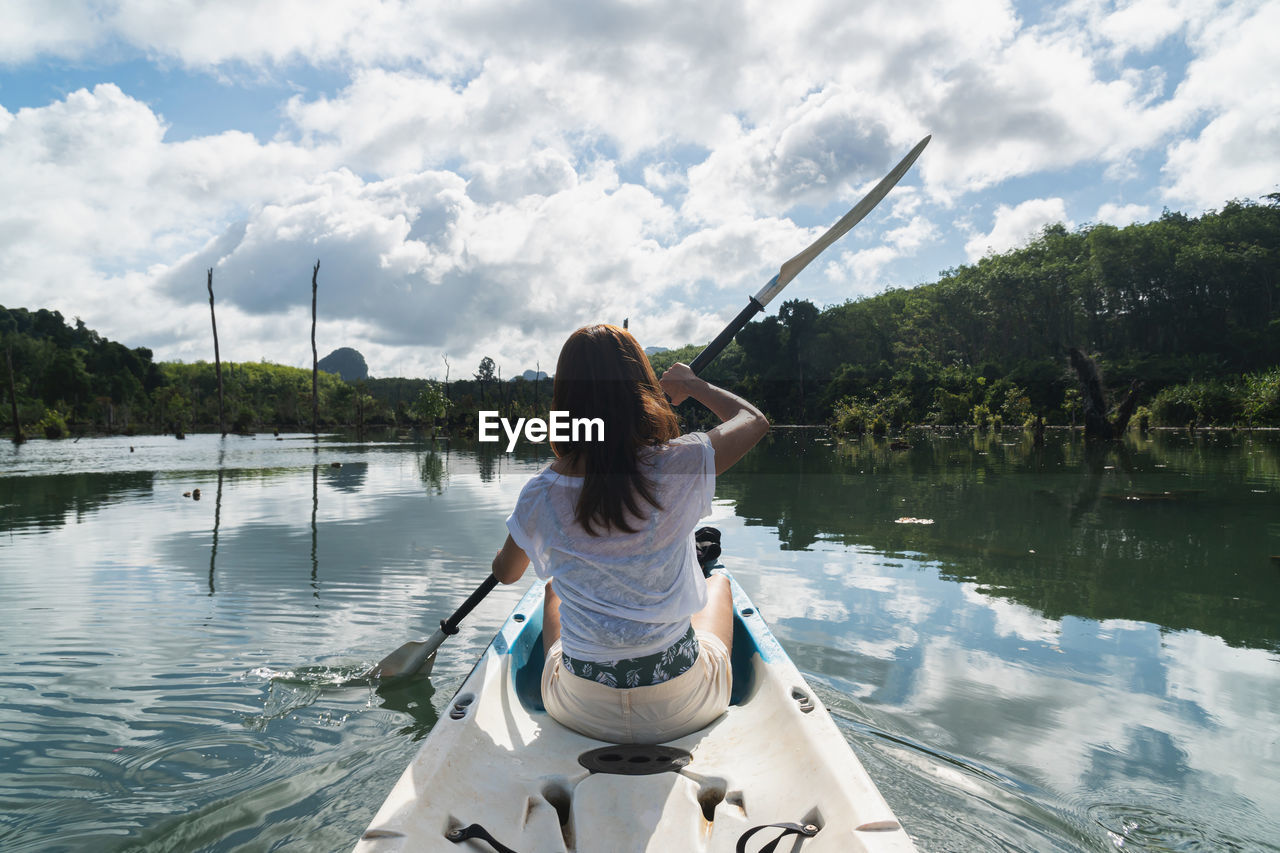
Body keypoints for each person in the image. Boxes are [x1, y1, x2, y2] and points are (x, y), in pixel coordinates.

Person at [490, 324, 769, 743]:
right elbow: (753, 420)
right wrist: (694, 385)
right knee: (720, 583)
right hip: (682, 708)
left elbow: (506, 573)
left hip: (580, 711)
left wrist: (521, 533)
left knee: (550, 590)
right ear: (641, 391)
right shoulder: (682, 462)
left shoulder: (540, 493)